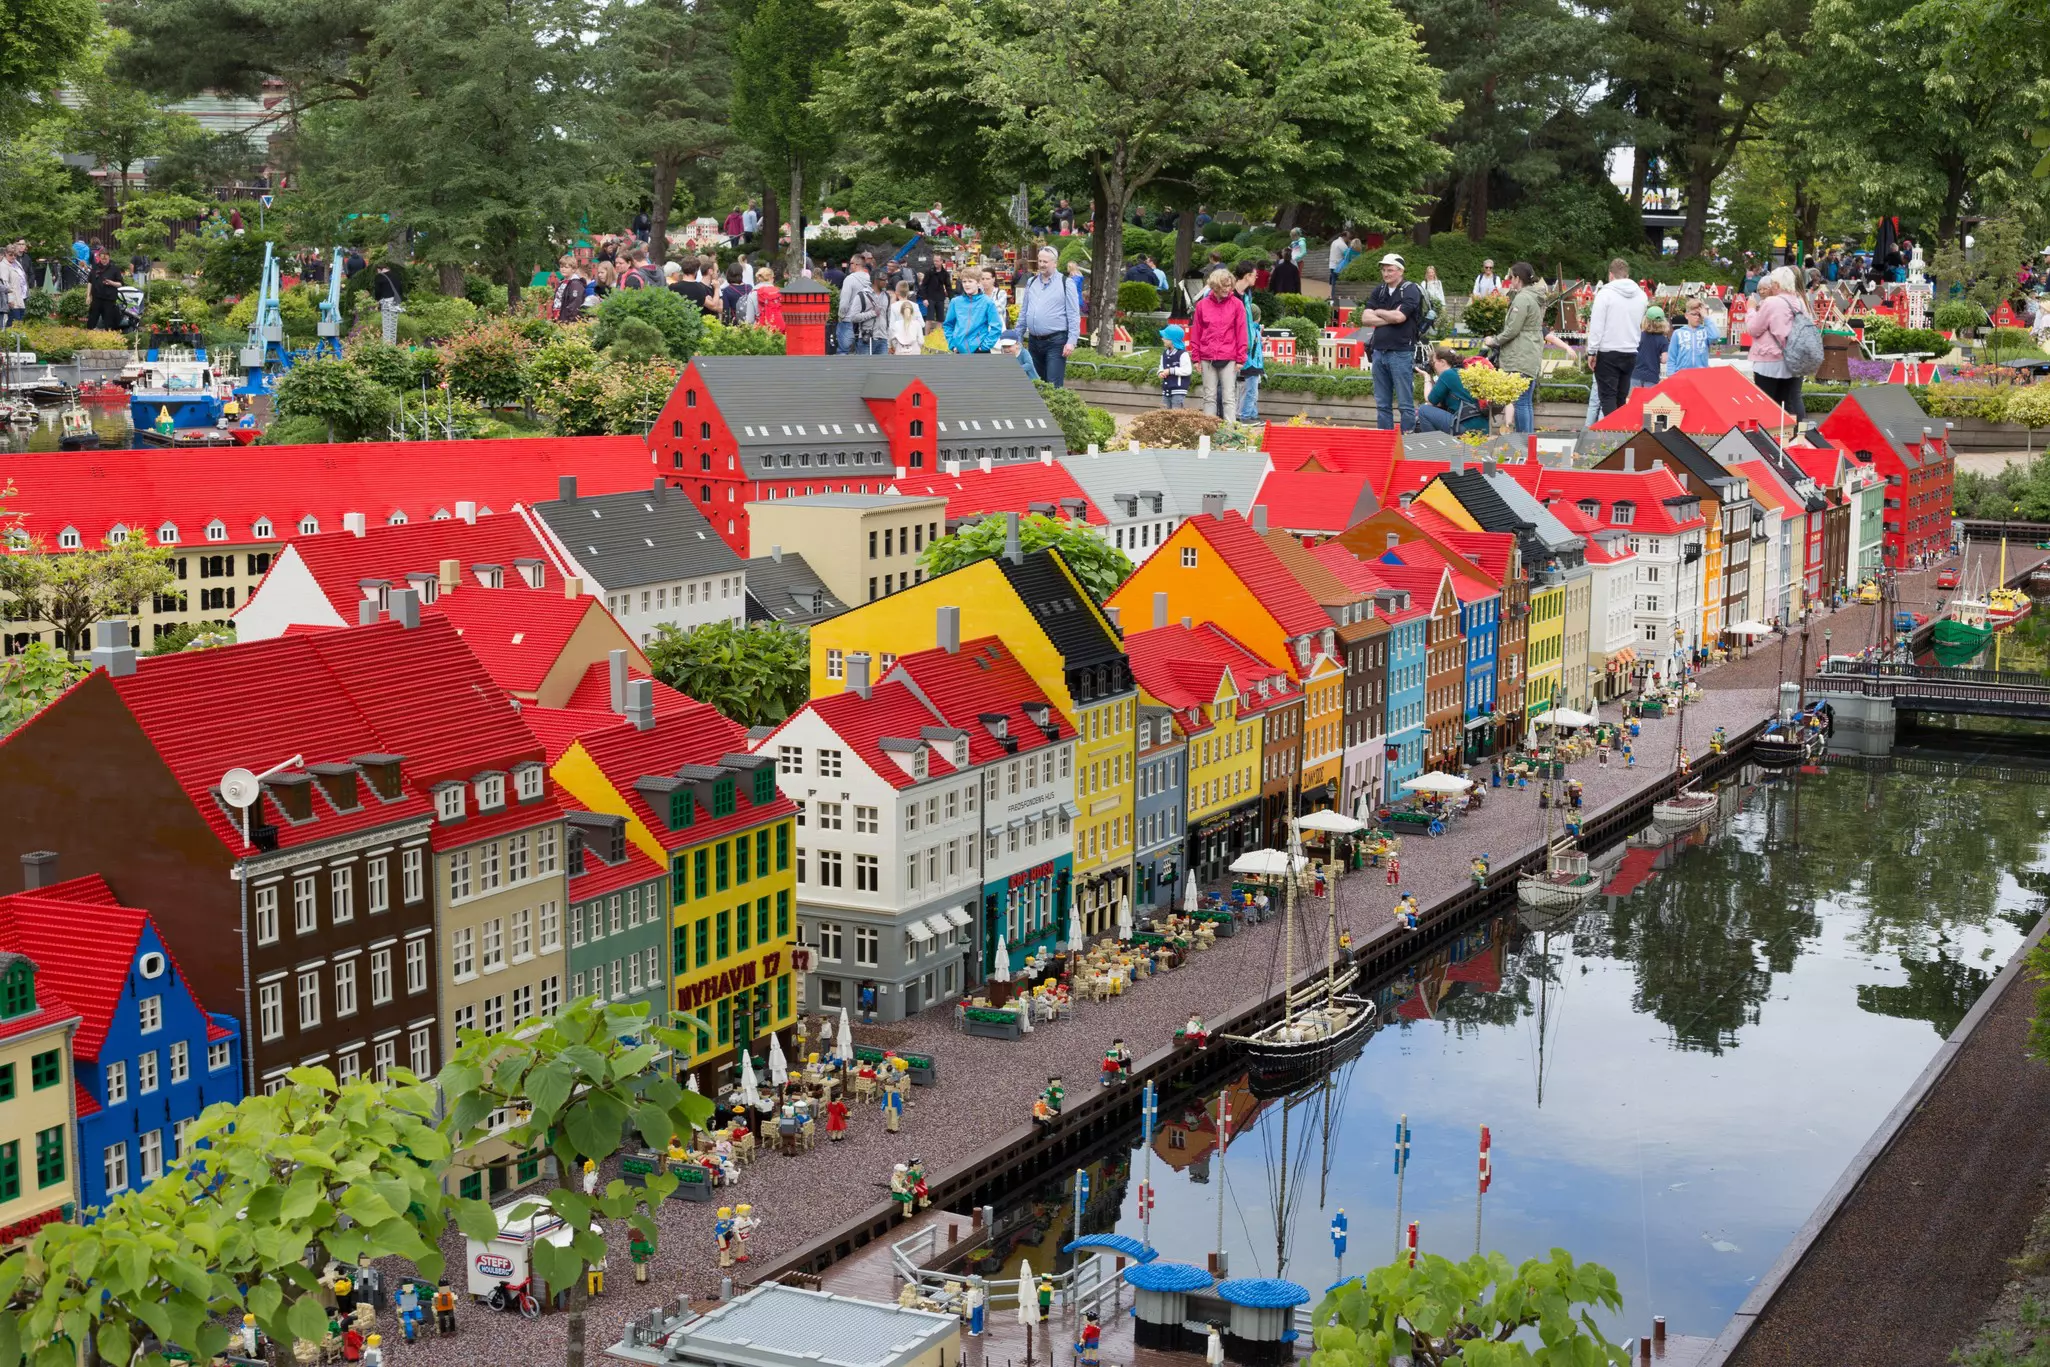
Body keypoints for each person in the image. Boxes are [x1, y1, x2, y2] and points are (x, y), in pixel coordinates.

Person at [1355, 253, 1424, 430]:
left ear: (1400, 271)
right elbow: (1365, 318)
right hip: (1378, 351)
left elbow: (1400, 317)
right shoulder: (1379, 290)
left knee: (1405, 404)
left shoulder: (1410, 289)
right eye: (1384, 270)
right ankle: (1384, 441)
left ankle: (1407, 441)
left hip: (1401, 351)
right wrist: (1389, 316)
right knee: (1382, 404)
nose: (1386, 274)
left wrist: (1377, 312)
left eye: (1390, 270)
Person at [1490, 263, 1548, 435]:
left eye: (1511, 277)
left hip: (1520, 355)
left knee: (1521, 401)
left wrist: (1493, 340)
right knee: (1526, 402)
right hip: (1530, 353)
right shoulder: (1534, 296)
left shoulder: (1522, 298)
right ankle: (1529, 443)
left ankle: (1523, 443)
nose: (1510, 281)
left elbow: (1513, 330)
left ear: (1518, 279)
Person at [1585, 257, 1647, 416]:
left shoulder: (1605, 294)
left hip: (1608, 351)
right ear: (1627, 274)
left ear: (1610, 275)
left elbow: (1597, 326)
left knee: (1607, 397)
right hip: (1630, 351)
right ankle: (1620, 434)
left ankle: (1611, 436)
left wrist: (1592, 352)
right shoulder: (1641, 295)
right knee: (1621, 397)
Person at [1186, 268, 1247, 420]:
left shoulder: (1237, 305)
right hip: (1207, 356)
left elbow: (1241, 332)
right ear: (1214, 286)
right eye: (1223, 286)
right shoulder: (1202, 306)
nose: (1227, 289)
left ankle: (1230, 433)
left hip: (1229, 356)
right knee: (1209, 396)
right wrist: (1196, 358)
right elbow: (1196, 333)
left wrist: (1241, 358)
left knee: (1229, 397)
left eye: (1229, 285)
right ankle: (1209, 432)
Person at [1017, 246, 1081, 386]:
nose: (1041, 264)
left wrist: (1071, 341)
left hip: (1056, 342)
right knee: (1035, 383)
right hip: (1034, 341)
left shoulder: (1066, 283)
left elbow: (1074, 315)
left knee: (1053, 385)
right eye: (1040, 261)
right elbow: (1024, 311)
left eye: (1045, 262)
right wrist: (1018, 336)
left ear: (1055, 263)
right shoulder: (1031, 282)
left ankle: (1054, 408)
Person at [1749, 266, 1807, 421]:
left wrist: (1751, 311)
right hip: (1794, 361)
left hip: (1770, 362)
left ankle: (1769, 440)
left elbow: (1754, 329)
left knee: (1767, 405)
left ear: (1777, 284)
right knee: (1790, 402)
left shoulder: (1771, 303)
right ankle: (1795, 437)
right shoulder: (1800, 302)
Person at [1416, 349, 1485, 433]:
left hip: (1466, 426)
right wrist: (1431, 378)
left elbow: (1429, 401)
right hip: (1482, 426)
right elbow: (1438, 403)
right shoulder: (1461, 372)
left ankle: (1435, 443)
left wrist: (1426, 377)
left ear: (1442, 362)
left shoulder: (1447, 374)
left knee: (1423, 410)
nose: (1433, 366)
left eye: (1433, 363)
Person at [1234, 260, 1264, 422]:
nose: (1256, 278)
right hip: (1234, 347)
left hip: (1244, 347)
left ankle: (1244, 415)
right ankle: (1242, 416)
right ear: (1247, 276)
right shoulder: (1233, 295)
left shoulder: (1246, 295)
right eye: (1255, 275)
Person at [943, 272, 1001, 353]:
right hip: (959, 350)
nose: (966, 284)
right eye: (964, 281)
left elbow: (996, 327)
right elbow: (948, 325)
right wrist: (953, 345)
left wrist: (984, 346)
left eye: (970, 281)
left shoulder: (987, 302)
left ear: (978, 283)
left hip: (979, 350)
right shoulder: (955, 302)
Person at [1667, 297, 1720, 373]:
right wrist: (1671, 376)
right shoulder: (1677, 333)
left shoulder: (1705, 332)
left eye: (1699, 315)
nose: (1697, 317)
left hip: (1701, 374)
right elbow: (1671, 358)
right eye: (1694, 314)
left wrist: (1706, 317)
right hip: (1681, 374)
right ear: (1686, 315)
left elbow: (1716, 336)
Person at [86, 248, 125, 331]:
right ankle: (88, 337)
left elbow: (120, 284)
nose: (104, 260)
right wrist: (88, 296)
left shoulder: (115, 269)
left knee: (109, 322)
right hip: (96, 298)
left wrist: (111, 283)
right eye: (102, 258)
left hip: (109, 299)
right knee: (91, 320)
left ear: (109, 257)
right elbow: (90, 282)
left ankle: (109, 338)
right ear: (99, 257)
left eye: (106, 259)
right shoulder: (95, 268)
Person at [1633, 305, 1671, 386]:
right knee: (1648, 399)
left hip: (1635, 375)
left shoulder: (1639, 336)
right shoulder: (1663, 340)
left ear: (1645, 321)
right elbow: (1664, 359)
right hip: (1652, 377)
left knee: (1633, 398)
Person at [1158, 323, 1192, 408]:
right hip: (1166, 389)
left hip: (1178, 389)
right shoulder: (1164, 353)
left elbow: (1187, 370)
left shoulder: (1183, 354)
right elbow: (1161, 366)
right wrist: (1160, 372)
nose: (1162, 339)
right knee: (1164, 412)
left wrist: (1170, 371)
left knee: (1176, 413)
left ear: (1172, 339)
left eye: (1165, 337)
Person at [370, 264, 403, 345]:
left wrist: (377, 300)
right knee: (393, 326)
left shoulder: (379, 277)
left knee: (386, 324)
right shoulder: (395, 276)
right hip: (395, 303)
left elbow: (377, 291)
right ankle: (392, 344)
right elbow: (400, 289)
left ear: (379, 269)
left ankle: (387, 346)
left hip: (386, 303)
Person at [888, 281, 925, 354]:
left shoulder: (893, 307)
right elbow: (922, 324)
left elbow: (891, 328)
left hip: (899, 346)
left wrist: (889, 345)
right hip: (914, 345)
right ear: (908, 292)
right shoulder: (915, 306)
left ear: (896, 292)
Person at [720, 261, 756, 325]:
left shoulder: (727, 291)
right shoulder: (749, 288)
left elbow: (726, 311)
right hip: (750, 323)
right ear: (741, 273)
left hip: (736, 324)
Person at [753, 265, 785, 332]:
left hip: (762, 330)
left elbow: (749, 320)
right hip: (779, 329)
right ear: (772, 278)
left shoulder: (753, 293)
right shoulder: (779, 291)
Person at [1420, 265, 1447, 330]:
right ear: (1427, 273)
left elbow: (1441, 294)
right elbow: (1422, 295)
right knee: (1430, 318)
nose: (1431, 274)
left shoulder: (1438, 283)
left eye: (1432, 272)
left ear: (1434, 273)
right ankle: (1425, 331)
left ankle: (1438, 333)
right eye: (1429, 272)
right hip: (1428, 306)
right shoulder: (1424, 283)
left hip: (1438, 305)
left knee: (1439, 321)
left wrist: (1443, 305)